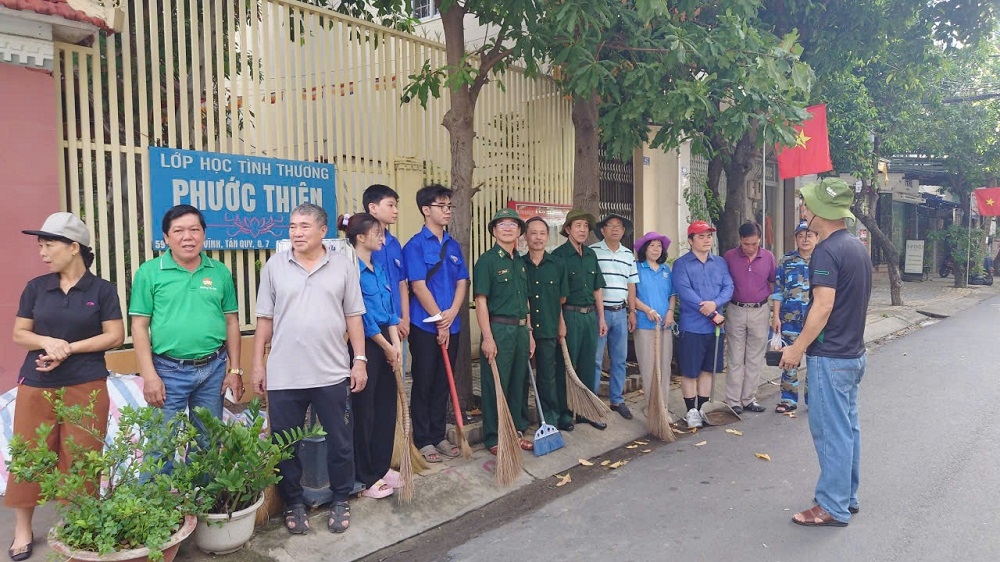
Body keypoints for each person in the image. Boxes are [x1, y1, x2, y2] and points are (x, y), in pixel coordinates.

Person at [7, 213, 125, 562]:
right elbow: (19, 333)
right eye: (40, 245)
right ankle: (23, 529)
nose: (43, 252)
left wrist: (69, 348)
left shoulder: (101, 290)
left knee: (82, 458)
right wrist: (48, 341)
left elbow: (115, 335)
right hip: (37, 382)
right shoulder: (36, 287)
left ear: (74, 247)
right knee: (30, 454)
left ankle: (77, 523)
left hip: (86, 383)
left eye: (49, 245)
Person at [251, 203, 368, 535]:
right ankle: (294, 503)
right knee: (286, 444)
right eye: (291, 226)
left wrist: (359, 360)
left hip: (331, 372)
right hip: (285, 374)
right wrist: (258, 364)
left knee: (340, 441)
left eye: (303, 226)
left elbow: (354, 316)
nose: (296, 232)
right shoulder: (275, 266)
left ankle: (341, 497)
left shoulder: (343, 266)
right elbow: (264, 319)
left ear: (321, 230)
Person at [781, 178, 872, 527]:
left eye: (806, 204)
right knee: (848, 428)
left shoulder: (826, 250)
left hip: (831, 357)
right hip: (852, 355)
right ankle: (846, 497)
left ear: (819, 211)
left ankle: (831, 506)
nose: (803, 209)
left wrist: (797, 348)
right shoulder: (856, 247)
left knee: (831, 432)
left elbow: (822, 306)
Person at [129, 205, 243, 462]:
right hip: (168, 371)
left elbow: (232, 322)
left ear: (204, 234)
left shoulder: (219, 272)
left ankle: (203, 499)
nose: (187, 237)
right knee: (161, 443)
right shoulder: (150, 272)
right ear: (166, 238)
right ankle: (155, 502)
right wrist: (149, 376)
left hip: (213, 369)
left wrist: (235, 370)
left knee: (207, 441)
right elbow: (138, 326)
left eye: (194, 230)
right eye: (178, 231)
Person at [402, 184, 470, 463]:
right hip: (424, 325)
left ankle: (439, 434)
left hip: (451, 325)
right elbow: (418, 286)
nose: (447, 212)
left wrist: (453, 312)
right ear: (425, 210)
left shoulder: (453, 245)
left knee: (444, 380)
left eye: (449, 206)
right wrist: (439, 320)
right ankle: (423, 439)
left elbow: (461, 281)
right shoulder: (414, 246)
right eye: (441, 206)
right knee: (425, 381)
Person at [339, 212, 403, 499]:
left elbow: (389, 309)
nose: (382, 237)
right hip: (363, 348)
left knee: (385, 409)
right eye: (377, 233)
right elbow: (360, 317)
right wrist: (386, 347)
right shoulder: (348, 268)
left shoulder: (378, 266)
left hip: (387, 345)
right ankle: (364, 477)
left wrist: (396, 343)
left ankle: (381, 466)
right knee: (364, 412)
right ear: (361, 237)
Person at [474, 208, 536, 454]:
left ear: (519, 231)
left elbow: (527, 301)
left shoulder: (520, 262)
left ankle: (516, 431)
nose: (508, 228)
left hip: (521, 330)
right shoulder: (487, 261)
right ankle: (494, 437)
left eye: (513, 224)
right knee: (494, 384)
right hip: (498, 329)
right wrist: (487, 338)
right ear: (494, 231)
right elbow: (481, 301)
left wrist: (529, 332)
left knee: (519, 383)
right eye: (502, 224)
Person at [672, 220, 733, 428]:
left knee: (708, 369)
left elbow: (729, 287)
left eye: (709, 236)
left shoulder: (720, 263)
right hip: (692, 326)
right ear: (690, 241)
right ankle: (690, 410)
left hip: (715, 326)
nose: (707, 240)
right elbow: (685, 293)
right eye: (701, 236)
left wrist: (715, 305)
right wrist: (710, 312)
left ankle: (702, 408)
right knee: (690, 371)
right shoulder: (681, 264)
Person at [552, 209, 608, 430]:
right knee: (566, 365)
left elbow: (597, 288)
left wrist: (601, 318)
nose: (583, 230)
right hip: (570, 314)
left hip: (589, 316)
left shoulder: (591, 255)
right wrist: (560, 321)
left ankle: (586, 412)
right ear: (568, 230)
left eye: (585, 226)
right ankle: (565, 414)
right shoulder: (558, 256)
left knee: (587, 365)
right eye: (578, 226)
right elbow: (555, 294)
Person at [522, 217, 572, 431]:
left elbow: (561, 298)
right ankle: (521, 422)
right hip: (523, 330)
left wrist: (561, 323)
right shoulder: (518, 264)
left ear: (547, 236)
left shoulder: (557, 264)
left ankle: (550, 419)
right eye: (533, 233)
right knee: (522, 378)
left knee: (547, 377)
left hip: (549, 327)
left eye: (542, 233)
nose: (538, 237)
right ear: (525, 236)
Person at [722, 222, 776, 414]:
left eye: (754, 243)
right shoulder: (729, 257)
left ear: (759, 239)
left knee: (755, 357)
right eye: (746, 244)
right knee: (736, 356)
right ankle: (733, 400)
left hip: (760, 310)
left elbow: (772, 282)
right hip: (736, 309)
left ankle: (749, 398)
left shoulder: (768, 256)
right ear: (740, 240)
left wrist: (767, 304)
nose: (750, 248)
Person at [590, 214, 639, 419]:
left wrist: (632, 311)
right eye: (611, 226)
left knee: (619, 359)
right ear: (603, 230)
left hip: (620, 313)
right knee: (594, 359)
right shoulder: (593, 252)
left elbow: (631, 284)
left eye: (619, 226)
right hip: (598, 313)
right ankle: (591, 401)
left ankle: (617, 400)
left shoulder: (628, 254)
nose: (615, 229)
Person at [771, 221, 816, 413]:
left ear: (817, 238)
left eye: (809, 235)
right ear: (796, 239)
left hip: (814, 321)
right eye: (801, 236)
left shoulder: (823, 260)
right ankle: (788, 400)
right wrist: (775, 316)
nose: (805, 239)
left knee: (814, 361)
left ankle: (813, 400)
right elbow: (778, 290)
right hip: (789, 318)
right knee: (789, 359)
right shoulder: (786, 260)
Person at [632, 231, 677, 413]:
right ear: (644, 248)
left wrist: (670, 313)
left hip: (665, 325)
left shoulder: (666, 270)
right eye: (652, 245)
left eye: (659, 246)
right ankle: (652, 408)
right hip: (645, 325)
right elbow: (632, 296)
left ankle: (663, 407)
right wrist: (646, 310)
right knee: (649, 367)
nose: (656, 249)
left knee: (664, 367)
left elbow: (672, 295)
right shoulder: (636, 268)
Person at [364, 184, 410, 340]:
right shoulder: (363, 243)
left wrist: (405, 319)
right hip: (375, 327)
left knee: (399, 364)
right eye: (390, 205)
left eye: (396, 206)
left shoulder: (394, 243)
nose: (395, 211)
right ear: (373, 207)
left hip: (400, 324)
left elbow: (402, 283)